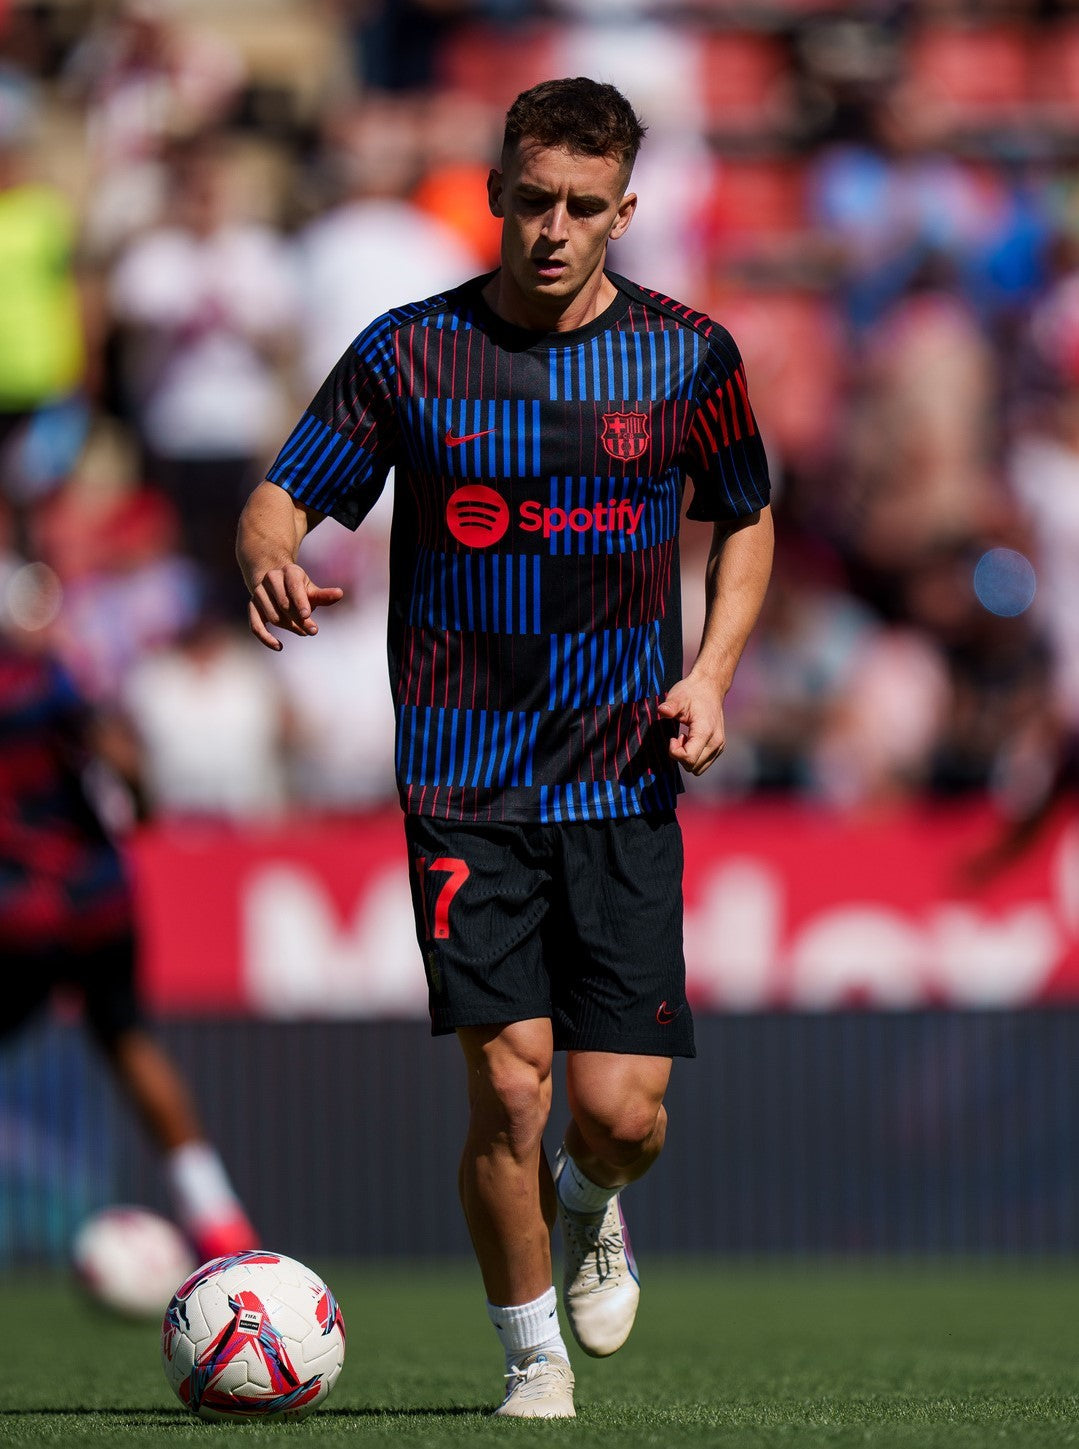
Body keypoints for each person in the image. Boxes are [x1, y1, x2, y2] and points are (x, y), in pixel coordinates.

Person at [237, 76, 773, 1418]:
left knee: (616, 1114)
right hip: (463, 777)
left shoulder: (686, 356)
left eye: (582, 206)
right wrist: (270, 558)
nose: (552, 226)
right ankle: (531, 1362)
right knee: (509, 1083)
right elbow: (280, 492)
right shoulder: (405, 353)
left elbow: (746, 517)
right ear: (491, 194)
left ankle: (595, 1202)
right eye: (530, 198)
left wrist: (707, 674)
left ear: (623, 211)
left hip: (622, 774)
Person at [0, 620, 257, 1267]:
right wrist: (138, 802)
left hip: (20, 908)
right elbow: (116, 752)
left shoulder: (34, 671)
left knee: (125, 1041)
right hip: (97, 894)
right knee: (129, 1041)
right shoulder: (42, 671)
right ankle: (217, 1218)